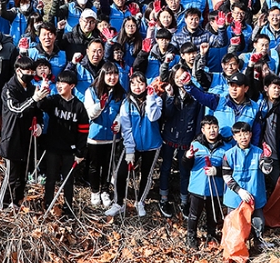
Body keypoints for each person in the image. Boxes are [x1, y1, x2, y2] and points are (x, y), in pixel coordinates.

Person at [106, 72, 163, 217]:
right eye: (134, 83)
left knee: (146, 174)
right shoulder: (127, 103)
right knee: (120, 173)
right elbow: (126, 127)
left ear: (146, 85)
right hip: (133, 144)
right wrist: (130, 149)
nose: (137, 87)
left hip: (152, 144)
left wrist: (151, 98)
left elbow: (153, 116)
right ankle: (118, 203)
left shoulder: (156, 100)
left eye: (141, 83)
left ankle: (140, 202)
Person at [34, 70, 89, 217]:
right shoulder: (54, 100)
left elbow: (83, 130)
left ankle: (68, 208)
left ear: (72, 86)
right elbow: (40, 105)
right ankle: (48, 204)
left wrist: (80, 151)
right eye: (57, 82)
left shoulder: (79, 106)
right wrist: (43, 91)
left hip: (70, 150)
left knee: (68, 180)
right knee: (50, 178)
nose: (59, 85)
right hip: (53, 147)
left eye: (63, 83)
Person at [157, 66, 204, 217]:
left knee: (185, 171)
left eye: (182, 76)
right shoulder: (170, 93)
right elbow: (166, 115)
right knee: (166, 168)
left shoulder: (195, 94)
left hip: (187, 138)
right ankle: (163, 198)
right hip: (170, 136)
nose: (179, 80)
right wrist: (170, 97)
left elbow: (199, 118)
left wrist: (197, 137)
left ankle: (184, 201)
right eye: (176, 76)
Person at [0, 56, 43, 210]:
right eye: (27, 71)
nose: (30, 74)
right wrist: (33, 99)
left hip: (27, 136)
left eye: (32, 71)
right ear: (18, 71)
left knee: (23, 175)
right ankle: (2, 205)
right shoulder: (9, 88)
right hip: (11, 137)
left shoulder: (31, 88)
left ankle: (16, 202)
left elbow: (37, 110)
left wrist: (40, 125)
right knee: (11, 175)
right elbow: (15, 109)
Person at [221, 121, 272, 251]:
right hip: (235, 197)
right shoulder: (229, 155)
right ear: (234, 137)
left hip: (255, 195)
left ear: (250, 135)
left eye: (245, 134)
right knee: (235, 225)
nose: (243, 137)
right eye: (239, 134)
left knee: (258, 222)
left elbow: (266, 170)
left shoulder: (258, 152)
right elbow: (226, 176)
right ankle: (234, 248)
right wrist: (239, 191)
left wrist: (267, 158)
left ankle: (258, 242)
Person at [83, 64, 126, 208]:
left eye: (115, 74)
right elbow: (89, 114)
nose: (112, 77)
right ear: (103, 75)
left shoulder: (121, 93)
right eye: (109, 74)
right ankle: (95, 191)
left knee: (108, 166)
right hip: (96, 136)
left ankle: (105, 190)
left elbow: (122, 111)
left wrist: (119, 121)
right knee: (94, 166)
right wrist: (99, 106)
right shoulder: (91, 91)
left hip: (113, 136)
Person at [184, 115, 228, 249]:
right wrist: (187, 157)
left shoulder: (225, 147)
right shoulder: (195, 144)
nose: (212, 130)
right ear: (203, 130)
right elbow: (186, 166)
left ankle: (211, 235)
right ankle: (191, 236)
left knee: (212, 214)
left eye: (214, 127)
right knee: (194, 214)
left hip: (215, 188)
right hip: (197, 187)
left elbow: (229, 169)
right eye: (208, 128)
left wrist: (217, 170)